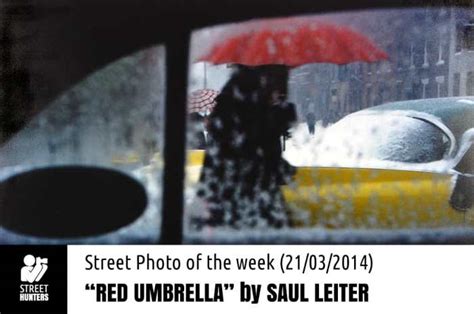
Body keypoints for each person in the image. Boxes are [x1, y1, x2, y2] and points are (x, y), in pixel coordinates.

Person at [196, 65, 297, 228]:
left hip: (224, 206)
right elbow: (263, 164)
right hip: (251, 208)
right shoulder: (255, 113)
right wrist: (278, 121)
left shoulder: (232, 101)